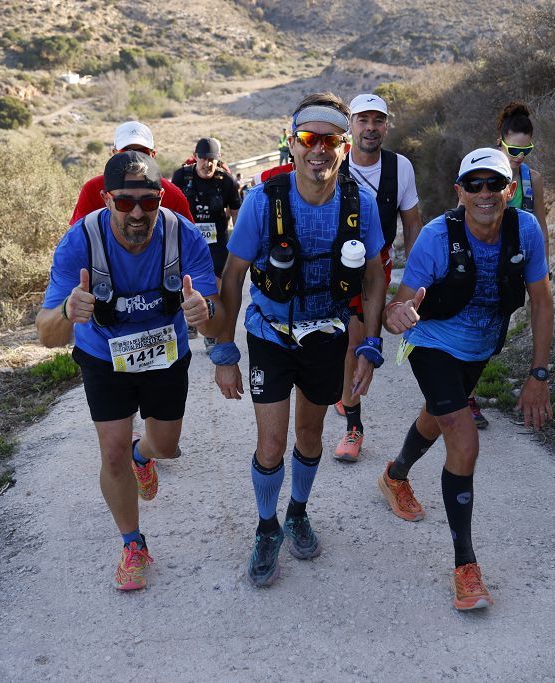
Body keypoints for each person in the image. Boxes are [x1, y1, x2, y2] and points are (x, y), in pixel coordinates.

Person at [212, 92, 386, 587]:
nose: (319, 150)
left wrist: (370, 345)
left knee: (310, 435)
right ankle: (267, 528)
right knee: (271, 443)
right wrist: (224, 351)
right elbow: (233, 276)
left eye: (330, 140)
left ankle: (297, 514)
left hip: (327, 334)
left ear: (344, 145)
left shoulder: (361, 204)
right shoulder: (264, 202)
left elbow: (374, 278)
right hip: (269, 332)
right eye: (309, 138)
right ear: (292, 143)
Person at [36, 150, 223, 591]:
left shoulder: (185, 237)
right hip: (104, 354)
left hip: (165, 353)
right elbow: (47, 334)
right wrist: (67, 309)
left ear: (162, 197)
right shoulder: (79, 243)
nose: (137, 213)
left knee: (165, 444)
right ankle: (133, 544)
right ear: (105, 199)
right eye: (124, 202)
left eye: (149, 202)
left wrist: (204, 311)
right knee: (112, 450)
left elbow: (216, 317)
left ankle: (146, 455)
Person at [380, 148, 553, 611]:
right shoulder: (437, 237)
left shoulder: (526, 230)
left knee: (438, 418)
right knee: (464, 439)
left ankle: (395, 475)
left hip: (480, 347)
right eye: (473, 184)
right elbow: (399, 303)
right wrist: (396, 315)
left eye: (493, 184)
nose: (483, 193)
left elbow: (540, 301)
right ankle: (466, 567)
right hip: (433, 342)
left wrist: (539, 374)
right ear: (459, 191)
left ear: (509, 191)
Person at [332, 93, 423, 463]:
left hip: (376, 264)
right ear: (350, 126)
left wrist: (416, 276)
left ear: (387, 125)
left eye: (378, 120)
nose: (371, 128)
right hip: (333, 265)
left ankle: (353, 428)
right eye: (363, 120)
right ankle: (346, 397)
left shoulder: (400, 167)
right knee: (341, 344)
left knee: (358, 341)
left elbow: (412, 221)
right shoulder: (332, 163)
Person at [467, 101, 551, 429]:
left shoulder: (534, 181)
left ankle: (467, 390)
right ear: (500, 141)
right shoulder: (481, 173)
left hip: (513, 268)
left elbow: (541, 226)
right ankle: (467, 397)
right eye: (514, 148)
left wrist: (542, 267)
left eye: (526, 148)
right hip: (478, 264)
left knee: (493, 332)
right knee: (476, 329)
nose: (519, 155)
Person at [171, 137, 242, 351]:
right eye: (203, 159)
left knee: (215, 286)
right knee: (185, 283)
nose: (207, 164)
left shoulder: (226, 181)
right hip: (187, 242)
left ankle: (211, 332)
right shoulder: (181, 177)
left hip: (216, 243)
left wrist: (239, 243)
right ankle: (191, 322)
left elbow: (237, 213)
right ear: (196, 157)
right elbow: (170, 209)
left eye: (212, 160)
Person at [70, 121, 193, 224]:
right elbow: (77, 239)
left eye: (142, 152)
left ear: (153, 155)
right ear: (114, 154)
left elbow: (190, 240)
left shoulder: (173, 194)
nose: (133, 158)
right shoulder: (92, 190)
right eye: (126, 151)